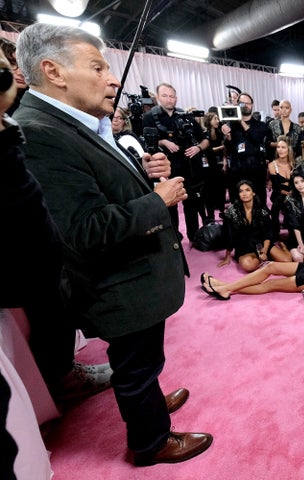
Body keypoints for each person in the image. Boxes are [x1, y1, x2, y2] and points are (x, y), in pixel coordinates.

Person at [14, 23, 212, 466]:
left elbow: (95, 182)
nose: (112, 78)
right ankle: (150, 441)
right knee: (135, 366)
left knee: (143, 360)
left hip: (133, 276)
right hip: (117, 283)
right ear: (54, 71)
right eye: (98, 67)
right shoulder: (39, 133)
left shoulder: (70, 122)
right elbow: (83, 228)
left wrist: (139, 168)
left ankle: (150, 404)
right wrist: (156, 200)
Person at [0, 46, 112, 403]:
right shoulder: (30, 123)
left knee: (56, 310)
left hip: (43, 248)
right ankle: (58, 380)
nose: (14, 75)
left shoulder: (17, 122)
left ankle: (60, 372)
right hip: (23, 261)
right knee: (48, 314)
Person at [142, 82, 210, 241]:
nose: (169, 100)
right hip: (165, 169)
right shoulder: (150, 117)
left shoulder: (185, 116)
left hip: (189, 167)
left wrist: (198, 148)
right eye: (165, 96)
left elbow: (204, 139)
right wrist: (163, 142)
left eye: (172, 96)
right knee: (169, 205)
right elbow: (145, 141)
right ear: (158, 97)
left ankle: (194, 235)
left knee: (191, 203)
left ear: (176, 98)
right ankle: (173, 237)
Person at [217, 180, 289, 271]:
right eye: (241, 191)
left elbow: (268, 233)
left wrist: (265, 251)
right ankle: (262, 260)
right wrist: (227, 256)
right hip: (244, 247)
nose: (244, 193)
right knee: (248, 266)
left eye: (247, 190)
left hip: (262, 244)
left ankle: (282, 248)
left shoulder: (262, 209)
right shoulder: (231, 211)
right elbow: (228, 234)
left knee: (287, 260)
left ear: (253, 192)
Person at [220, 91, 271, 204]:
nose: (246, 106)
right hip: (237, 172)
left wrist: (241, 121)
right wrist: (228, 137)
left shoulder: (260, 125)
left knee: (259, 203)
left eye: (248, 103)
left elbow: (256, 138)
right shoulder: (231, 126)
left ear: (252, 105)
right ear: (237, 105)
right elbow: (229, 149)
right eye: (242, 103)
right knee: (238, 205)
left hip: (256, 172)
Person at [200, 110, 227, 223]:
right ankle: (210, 215)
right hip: (207, 167)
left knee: (221, 190)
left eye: (218, 118)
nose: (218, 121)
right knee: (209, 192)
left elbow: (225, 148)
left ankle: (222, 211)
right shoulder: (204, 134)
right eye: (215, 118)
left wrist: (225, 162)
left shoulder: (220, 132)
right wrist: (220, 148)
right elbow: (207, 150)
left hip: (220, 164)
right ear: (209, 120)